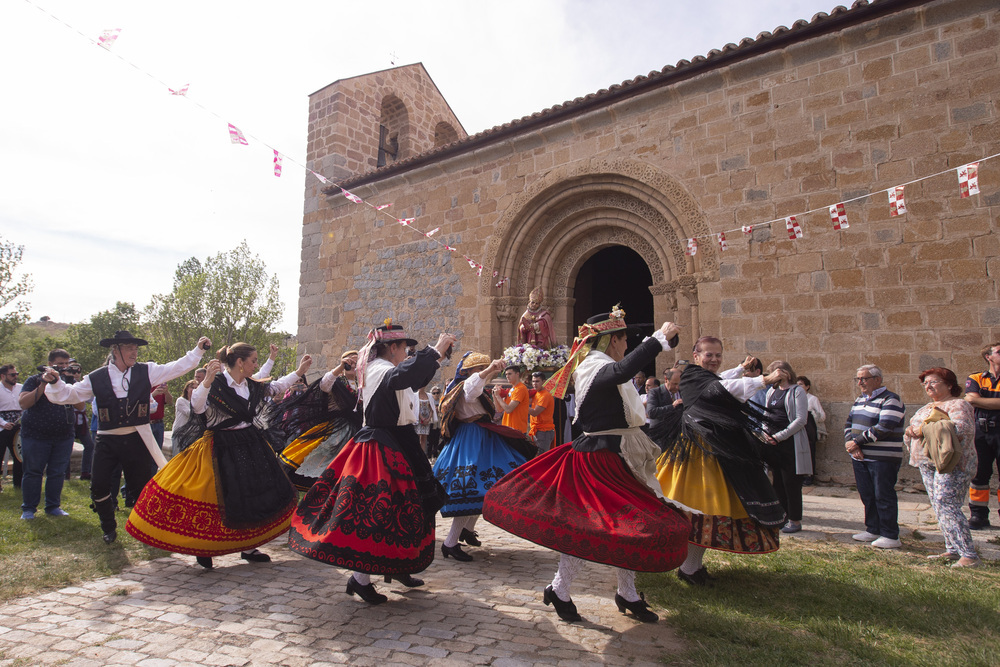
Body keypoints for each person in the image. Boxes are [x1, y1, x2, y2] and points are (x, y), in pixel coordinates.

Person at [484, 309, 690, 624]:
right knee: (591, 527)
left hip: (615, 457)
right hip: (598, 461)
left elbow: (620, 379)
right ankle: (561, 589)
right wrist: (657, 339)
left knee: (626, 525)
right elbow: (620, 372)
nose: (625, 345)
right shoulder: (595, 365)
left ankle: (626, 591)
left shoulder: (601, 364)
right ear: (611, 340)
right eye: (623, 339)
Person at [289, 322, 454, 605]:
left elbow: (413, 378)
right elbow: (404, 375)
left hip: (400, 440)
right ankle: (360, 579)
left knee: (408, 506)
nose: (408, 352)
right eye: (405, 348)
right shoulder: (380, 369)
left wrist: (437, 357)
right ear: (392, 348)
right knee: (379, 509)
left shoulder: (388, 369)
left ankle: (401, 565)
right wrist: (434, 350)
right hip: (382, 445)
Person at [126, 342, 311, 568]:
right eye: (253, 360)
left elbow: (275, 386)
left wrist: (299, 372)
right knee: (215, 496)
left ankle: (249, 546)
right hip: (221, 446)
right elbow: (198, 407)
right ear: (240, 363)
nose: (256, 365)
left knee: (250, 495)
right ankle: (203, 546)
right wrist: (205, 382)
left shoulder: (250, 385)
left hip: (250, 445)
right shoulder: (217, 383)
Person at [46, 331, 210, 543]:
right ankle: (108, 527)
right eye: (129, 348)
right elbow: (69, 394)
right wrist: (54, 383)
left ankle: (148, 529)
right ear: (116, 350)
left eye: (135, 348)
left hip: (137, 439)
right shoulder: (96, 377)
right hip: (107, 439)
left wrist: (198, 350)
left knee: (141, 486)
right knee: (98, 485)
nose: (134, 352)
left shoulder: (146, 371)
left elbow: (177, 367)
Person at [654, 338, 786, 585]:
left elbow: (720, 380)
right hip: (697, 454)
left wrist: (739, 368)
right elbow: (719, 390)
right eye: (708, 355)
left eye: (717, 355)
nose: (714, 359)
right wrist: (763, 380)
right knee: (702, 511)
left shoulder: (702, 375)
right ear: (695, 355)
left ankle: (692, 566)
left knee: (709, 513)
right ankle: (688, 568)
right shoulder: (692, 375)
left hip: (712, 451)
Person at [435, 353, 532, 561]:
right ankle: (450, 543)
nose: (482, 373)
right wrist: (489, 371)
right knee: (469, 487)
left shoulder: (471, 388)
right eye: (478, 369)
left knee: (485, 485)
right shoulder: (464, 387)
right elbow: (473, 387)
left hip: (481, 437)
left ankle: (467, 529)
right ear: (470, 371)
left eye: (483, 369)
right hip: (471, 440)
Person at [903, 367, 979, 567]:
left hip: (951, 464)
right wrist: (912, 430)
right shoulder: (927, 407)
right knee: (938, 506)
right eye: (925, 383)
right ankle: (952, 549)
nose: (928, 386)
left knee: (947, 504)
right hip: (927, 463)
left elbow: (961, 429)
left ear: (949, 385)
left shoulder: (958, 404)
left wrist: (920, 430)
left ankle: (969, 554)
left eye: (934, 382)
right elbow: (913, 428)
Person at [271, 351, 362, 492]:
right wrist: (340, 368)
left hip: (358, 428)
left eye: (357, 362)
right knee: (328, 452)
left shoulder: (363, 384)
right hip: (336, 428)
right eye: (350, 362)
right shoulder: (336, 382)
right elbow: (325, 384)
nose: (353, 365)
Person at [845, 364, 906, 549]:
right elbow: (849, 423)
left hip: (883, 458)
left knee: (883, 495)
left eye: (864, 379)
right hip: (861, 456)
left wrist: (857, 442)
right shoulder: (859, 400)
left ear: (877, 380)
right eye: (858, 379)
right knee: (868, 494)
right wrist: (852, 445)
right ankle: (873, 528)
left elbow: (885, 427)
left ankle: (890, 535)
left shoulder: (891, 399)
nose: (860, 383)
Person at [18, 350, 79, 519]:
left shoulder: (69, 381)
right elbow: (23, 403)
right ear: (50, 364)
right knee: (33, 472)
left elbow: (80, 406)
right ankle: (29, 508)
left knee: (57, 472)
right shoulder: (34, 380)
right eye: (60, 364)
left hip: (63, 435)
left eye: (67, 363)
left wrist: (75, 383)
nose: (64, 367)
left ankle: (53, 506)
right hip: (35, 435)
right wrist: (44, 384)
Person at [759, 361, 811, 534]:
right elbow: (766, 414)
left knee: (791, 483)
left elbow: (801, 419)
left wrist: (779, 436)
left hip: (790, 443)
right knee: (777, 482)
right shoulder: (771, 392)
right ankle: (781, 517)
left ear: (787, 373)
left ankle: (795, 520)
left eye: (777, 372)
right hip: (772, 442)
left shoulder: (797, 391)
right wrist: (766, 432)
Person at [964, 342, 1000, 529]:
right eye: (999, 352)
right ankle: (978, 516)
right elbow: (970, 399)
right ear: (989, 357)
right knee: (978, 475)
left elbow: (975, 400)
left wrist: (980, 401)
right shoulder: (977, 377)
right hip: (981, 431)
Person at [796, 376, 826, 485]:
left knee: (809, 453)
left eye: (801, 384)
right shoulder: (793, 398)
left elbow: (822, 416)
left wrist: (812, 414)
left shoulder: (812, 399)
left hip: (809, 430)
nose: (798, 386)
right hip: (796, 430)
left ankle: (809, 477)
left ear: (807, 386)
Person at [0, 364, 23, 490]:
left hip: (18, 426)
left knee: (19, 456)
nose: (15, 377)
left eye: (16, 374)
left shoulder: (21, 388)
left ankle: (18, 484)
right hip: (2, 427)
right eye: (12, 375)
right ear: (3, 376)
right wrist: (3, 423)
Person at [492, 366, 529, 435]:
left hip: (517, 429)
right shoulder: (512, 389)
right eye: (506, 374)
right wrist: (494, 395)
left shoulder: (520, 388)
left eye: (509, 374)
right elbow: (499, 409)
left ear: (517, 374)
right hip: (508, 428)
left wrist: (498, 396)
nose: (507, 376)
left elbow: (508, 409)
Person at [528, 371, 556, 453]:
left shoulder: (545, 395)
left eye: (537, 381)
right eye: (533, 381)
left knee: (541, 457)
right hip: (537, 430)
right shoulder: (537, 393)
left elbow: (535, 412)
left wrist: (522, 404)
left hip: (544, 431)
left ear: (544, 382)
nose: (534, 384)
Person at [171, 380, 199, 450]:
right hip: (180, 434)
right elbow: (189, 413)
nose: (194, 390)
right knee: (178, 458)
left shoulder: (197, 402)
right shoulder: (181, 400)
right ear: (187, 389)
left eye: (196, 388)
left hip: (192, 434)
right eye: (192, 388)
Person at [415, 385, 436, 454]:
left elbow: (431, 408)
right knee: (417, 437)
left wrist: (429, 418)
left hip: (427, 419)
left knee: (424, 438)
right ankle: (416, 454)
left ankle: (422, 454)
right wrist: (421, 418)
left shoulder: (429, 396)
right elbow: (415, 408)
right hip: (418, 419)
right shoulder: (415, 396)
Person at [426, 384, 443, 459]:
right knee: (430, 441)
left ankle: (435, 455)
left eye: (437, 392)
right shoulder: (429, 402)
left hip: (439, 423)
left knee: (436, 440)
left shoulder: (441, 402)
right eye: (434, 393)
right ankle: (429, 456)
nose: (436, 394)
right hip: (431, 422)